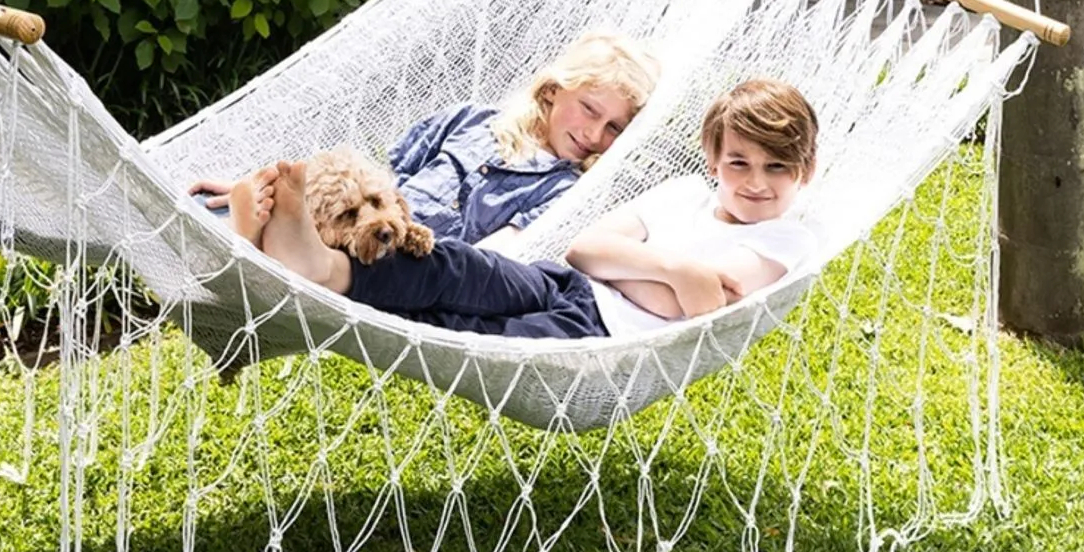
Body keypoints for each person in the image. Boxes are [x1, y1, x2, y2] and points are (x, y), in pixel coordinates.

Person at [239, 77, 819, 342]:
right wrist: (677, 268)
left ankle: (320, 273)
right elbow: (584, 251)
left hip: (597, 329)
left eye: (777, 168)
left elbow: (697, 306)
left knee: (463, 331)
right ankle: (320, 264)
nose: (755, 183)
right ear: (713, 162)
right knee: (456, 265)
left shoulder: (787, 238)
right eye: (739, 163)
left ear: (805, 174)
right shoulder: (683, 195)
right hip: (561, 281)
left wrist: (656, 268)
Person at [190, 31, 660, 250]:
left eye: (614, 128)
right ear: (554, 91)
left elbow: (498, 254)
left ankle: (262, 236)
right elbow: (376, 181)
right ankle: (261, 208)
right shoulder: (474, 120)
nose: (594, 134)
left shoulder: (565, 190)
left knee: (326, 258)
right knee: (198, 210)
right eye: (590, 110)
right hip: (365, 228)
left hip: (424, 260)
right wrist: (280, 189)